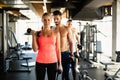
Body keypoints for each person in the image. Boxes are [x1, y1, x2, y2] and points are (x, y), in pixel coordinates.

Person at [31, 12, 62, 80]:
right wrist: (33, 37)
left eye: (48, 20)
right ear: (42, 21)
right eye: (44, 20)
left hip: (53, 61)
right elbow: (35, 49)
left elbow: (58, 49)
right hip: (40, 62)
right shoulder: (38, 33)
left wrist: (60, 64)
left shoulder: (56, 33)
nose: (46, 22)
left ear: (51, 21)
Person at [53, 10, 74, 80]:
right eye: (54, 19)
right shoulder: (53, 30)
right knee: (54, 75)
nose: (55, 21)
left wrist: (71, 54)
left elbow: (71, 42)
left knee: (66, 75)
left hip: (65, 54)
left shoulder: (67, 28)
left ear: (61, 18)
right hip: (55, 54)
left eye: (57, 19)